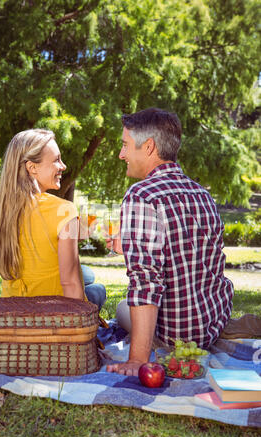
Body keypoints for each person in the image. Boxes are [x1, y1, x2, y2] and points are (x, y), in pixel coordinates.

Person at [106, 108, 261, 376]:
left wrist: (137, 360)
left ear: (149, 146)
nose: (121, 154)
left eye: (125, 145)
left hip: (176, 334)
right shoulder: (203, 195)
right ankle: (234, 328)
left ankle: (153, 344)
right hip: (212, 322)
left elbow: (146, 281)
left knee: (122, 308)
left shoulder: (142, 195)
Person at [0, 128, 106, 310]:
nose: (63, 166)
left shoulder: (5, 210)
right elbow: (70, 284)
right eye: (56, 160)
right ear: (32, 167)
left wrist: (75, 233)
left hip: (14, 310)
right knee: (97, 289)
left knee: (88, 274)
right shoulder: (63, 208)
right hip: (52, 313)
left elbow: (39, 239)